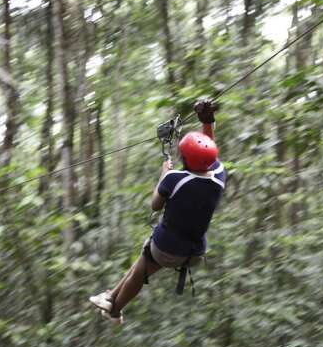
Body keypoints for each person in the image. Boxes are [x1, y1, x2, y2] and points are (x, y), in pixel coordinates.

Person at [88, 99, 226, 324]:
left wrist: (164, 173)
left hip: (168, 248)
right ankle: (111, 296)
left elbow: (155, 204)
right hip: (194, 250)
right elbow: (209, 152)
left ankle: (114, 309)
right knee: (144, 257)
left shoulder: (174, 178)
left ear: (186, 160)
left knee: (140, 272)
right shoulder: (220, 177)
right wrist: (207, 121)